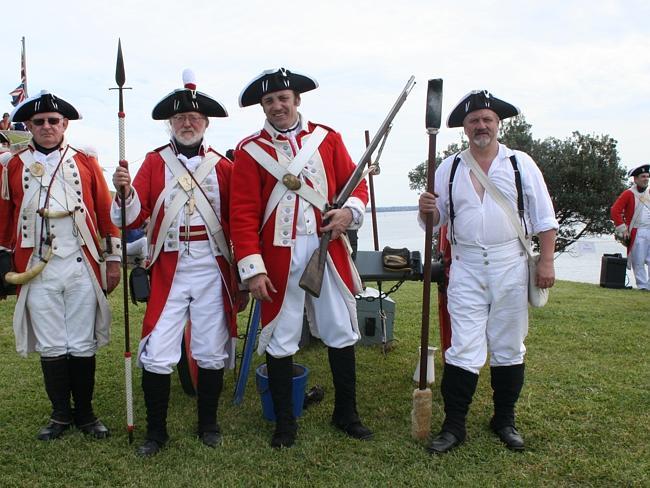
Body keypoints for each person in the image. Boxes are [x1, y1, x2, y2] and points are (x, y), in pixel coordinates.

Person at [230, 68, 372, 448]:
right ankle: (285, 422)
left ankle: (347, 413)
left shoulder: (326, 139)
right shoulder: (249, 151)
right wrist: (252, 270)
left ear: (297, 101)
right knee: (281, 335)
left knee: (341, 328)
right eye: (270, 101)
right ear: (263, 106)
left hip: (326, 248)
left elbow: (355, 184)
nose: (278, 106)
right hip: (278, 255)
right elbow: (242, 215)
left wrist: (348, 213)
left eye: (283, 98)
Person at [111, 70, 243, 457]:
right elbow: (130, 219)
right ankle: (156, 432)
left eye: (195, 118)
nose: (188, 123)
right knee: (157, 348)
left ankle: (208, 424)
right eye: (181, 118)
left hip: (212, 267)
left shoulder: (223, 166)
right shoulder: (154, 163)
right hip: (168, 268)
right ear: (171, 123)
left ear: (205, 123)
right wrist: (126, 193)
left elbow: (241, 219)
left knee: (210, 347)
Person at [418, 90, 557, 454]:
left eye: (487, 119)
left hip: (510, 264)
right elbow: (435, 223)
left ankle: (504, 419)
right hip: (465, 267)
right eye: (473, 120)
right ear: (464, 128)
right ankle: (454, 425)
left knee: (509, 345)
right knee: (463, 347)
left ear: (497, 124)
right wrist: (426, 209)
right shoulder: (448, 168)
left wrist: (546, 261)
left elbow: (544, 218)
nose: (481, 126)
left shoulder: (520, 164)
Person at [0, 91, 121, 441]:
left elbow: (104, 212)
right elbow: (5, 218)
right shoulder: (12, 164)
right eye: (39, 122)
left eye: (54, 121)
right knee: (53, 343)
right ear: (29, 126)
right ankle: (60, 414)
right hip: (36, 268)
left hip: (81, 264)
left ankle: (85, 413)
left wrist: (112, 261)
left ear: (64, 124)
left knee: (82, 342)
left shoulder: (85, 162)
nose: (47, 127)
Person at [611, 164, 650, 290]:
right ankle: (643, 286)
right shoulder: (628, 193)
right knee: (638, 260)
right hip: (637, 231)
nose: (646, 179)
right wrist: (623, 230)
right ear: (636, 179)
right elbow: (615, 210)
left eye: (647, 176)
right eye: (643, 176)